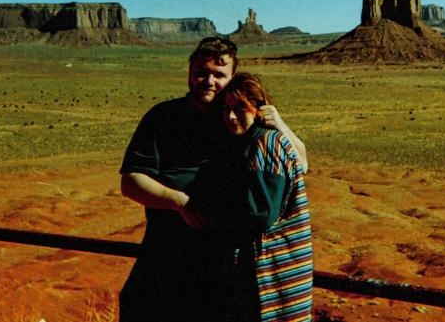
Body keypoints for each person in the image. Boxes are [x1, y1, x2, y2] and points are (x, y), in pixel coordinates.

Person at [119, 38, 306, 322]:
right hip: (164, 258)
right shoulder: (163, 118)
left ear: (232, 78)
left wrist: (280, 124)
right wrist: (181, 202)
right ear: (189, 73)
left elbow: (301, 163)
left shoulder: (238, 117)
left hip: (221, 269)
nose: (208, 81)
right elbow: (131, 181)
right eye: (201, 72)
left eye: (219, 75)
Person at [188, 73, 313, 322]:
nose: (230, 117)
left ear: (259, 110)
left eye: (240, 109)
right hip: (263, 276)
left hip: (272, 278)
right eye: (225, 109)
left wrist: (210, 211)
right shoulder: (249, 141)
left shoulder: (266, 144)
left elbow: (260, 215)